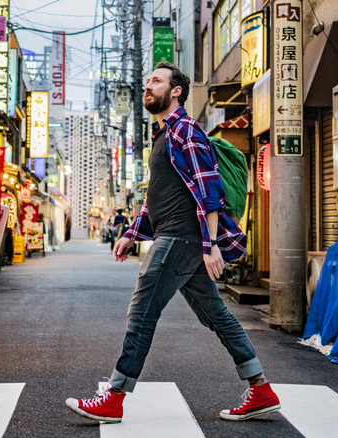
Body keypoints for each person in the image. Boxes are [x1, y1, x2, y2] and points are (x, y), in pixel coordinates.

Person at [65, 62, 280, 424]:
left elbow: (210, 192)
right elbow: (159, 195)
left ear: (176, 91)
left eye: (157, 81)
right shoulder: (163, 134)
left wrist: (211, 245)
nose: (148, 86)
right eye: (147, 80)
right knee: (216, 314)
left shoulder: (187, 131)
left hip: (180, 238)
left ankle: (114, 397)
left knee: (142, 313)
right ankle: (260, 388)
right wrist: (132, 232)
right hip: (178, 237)